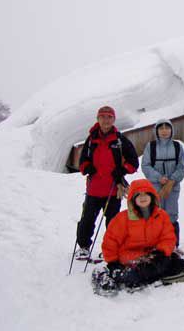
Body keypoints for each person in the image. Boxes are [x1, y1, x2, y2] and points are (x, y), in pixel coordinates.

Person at [92, 179, 184, 295]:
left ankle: (145, 276)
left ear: (152, 196)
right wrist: (113, 262)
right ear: (133, 199)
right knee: (134, 275)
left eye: (145, 194)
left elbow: (168, 237)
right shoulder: (122, 218)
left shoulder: (161, 216)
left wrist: (162, 252)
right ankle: (105, 273)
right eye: (138, 195)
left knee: (176, 265)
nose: (142, 197)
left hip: (152, 254)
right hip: (130, 257)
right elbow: (111, 241)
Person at [75, 106, 139, 260]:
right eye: (103, 116)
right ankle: (83, 247)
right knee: (87, 220)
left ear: (113, 120)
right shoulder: (91, 140)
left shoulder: (119, 139)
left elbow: (133, 162)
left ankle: (111, 248)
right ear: (98, 119)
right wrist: (87, 167)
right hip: (94, 189)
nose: (106, 120)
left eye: (109, 117)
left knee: (113, 223)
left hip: (113, 188)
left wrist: (122, 170)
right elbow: (82, 161)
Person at [141, 119, 184, 251]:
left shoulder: (177, 146)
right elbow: (145, 165)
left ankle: (173, 245)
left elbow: (182, 167)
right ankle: (154, 245)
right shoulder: (151, 146)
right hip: (155, 188)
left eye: (167, 128)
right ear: (156, 131)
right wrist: (159, 178)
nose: (164, 131)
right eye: (161, 128)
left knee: (171, 215)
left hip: (173, 187)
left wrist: (172, 180)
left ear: (172, 130)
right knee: (154, 214)